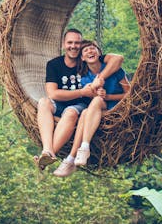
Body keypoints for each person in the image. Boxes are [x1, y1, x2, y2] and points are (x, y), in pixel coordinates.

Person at [35, 30, 124, 173]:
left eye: (77, 43)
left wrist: (98, 79)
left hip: (80, 105)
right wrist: (82, 92)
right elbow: (52, 93)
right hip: (60, 103)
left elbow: (118, 59)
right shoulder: (54, 64)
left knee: (70, 113)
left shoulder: (87, 59)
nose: (74, 46)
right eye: (70, 42)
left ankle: (49, 155)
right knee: (43, 102)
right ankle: (47, 150)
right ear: (64, 45)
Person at [53, 40, 130, 177]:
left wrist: (109, 96)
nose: (90, 51)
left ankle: (77, 153)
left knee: (93, 105)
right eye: (86, 50)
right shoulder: (83, 78)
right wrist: (96, 92)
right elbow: (91, 96)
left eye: (93, 48)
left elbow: (130, 94)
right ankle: (76, 154)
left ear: (99, 53)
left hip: (118, 109)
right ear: (82, 58)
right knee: (86, 111)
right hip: (99, 111)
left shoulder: (114, 69)